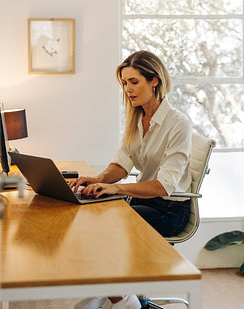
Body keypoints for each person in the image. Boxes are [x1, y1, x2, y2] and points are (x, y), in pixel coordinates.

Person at [70, 50, 193, 309]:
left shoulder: (178, 124)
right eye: (124, 83)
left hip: (170, 210)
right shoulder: (136, 118)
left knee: (107, 229)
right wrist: (98, 179)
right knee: (90, 221)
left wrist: (115, 188)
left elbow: (164, 186)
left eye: (134, 82)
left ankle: (125, 301)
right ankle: (111, 290)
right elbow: (122, 164)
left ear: (154, 81)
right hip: (142, 200)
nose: (128, 89)